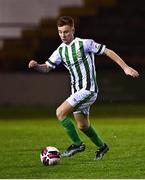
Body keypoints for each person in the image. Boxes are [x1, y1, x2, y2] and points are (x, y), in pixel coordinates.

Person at [28, 16, 139, 160]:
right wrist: (37, 66)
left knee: (60, 112)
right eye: (60, 32)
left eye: (66, 32)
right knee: (83, 126)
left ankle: (77, 144)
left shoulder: (85, 44)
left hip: (88, 90)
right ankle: (102, 146)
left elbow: (107, 51)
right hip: (76, 91)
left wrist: (125, 67)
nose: (63, 35)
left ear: (73, 30)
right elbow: (47, 68)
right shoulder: (60, 51)